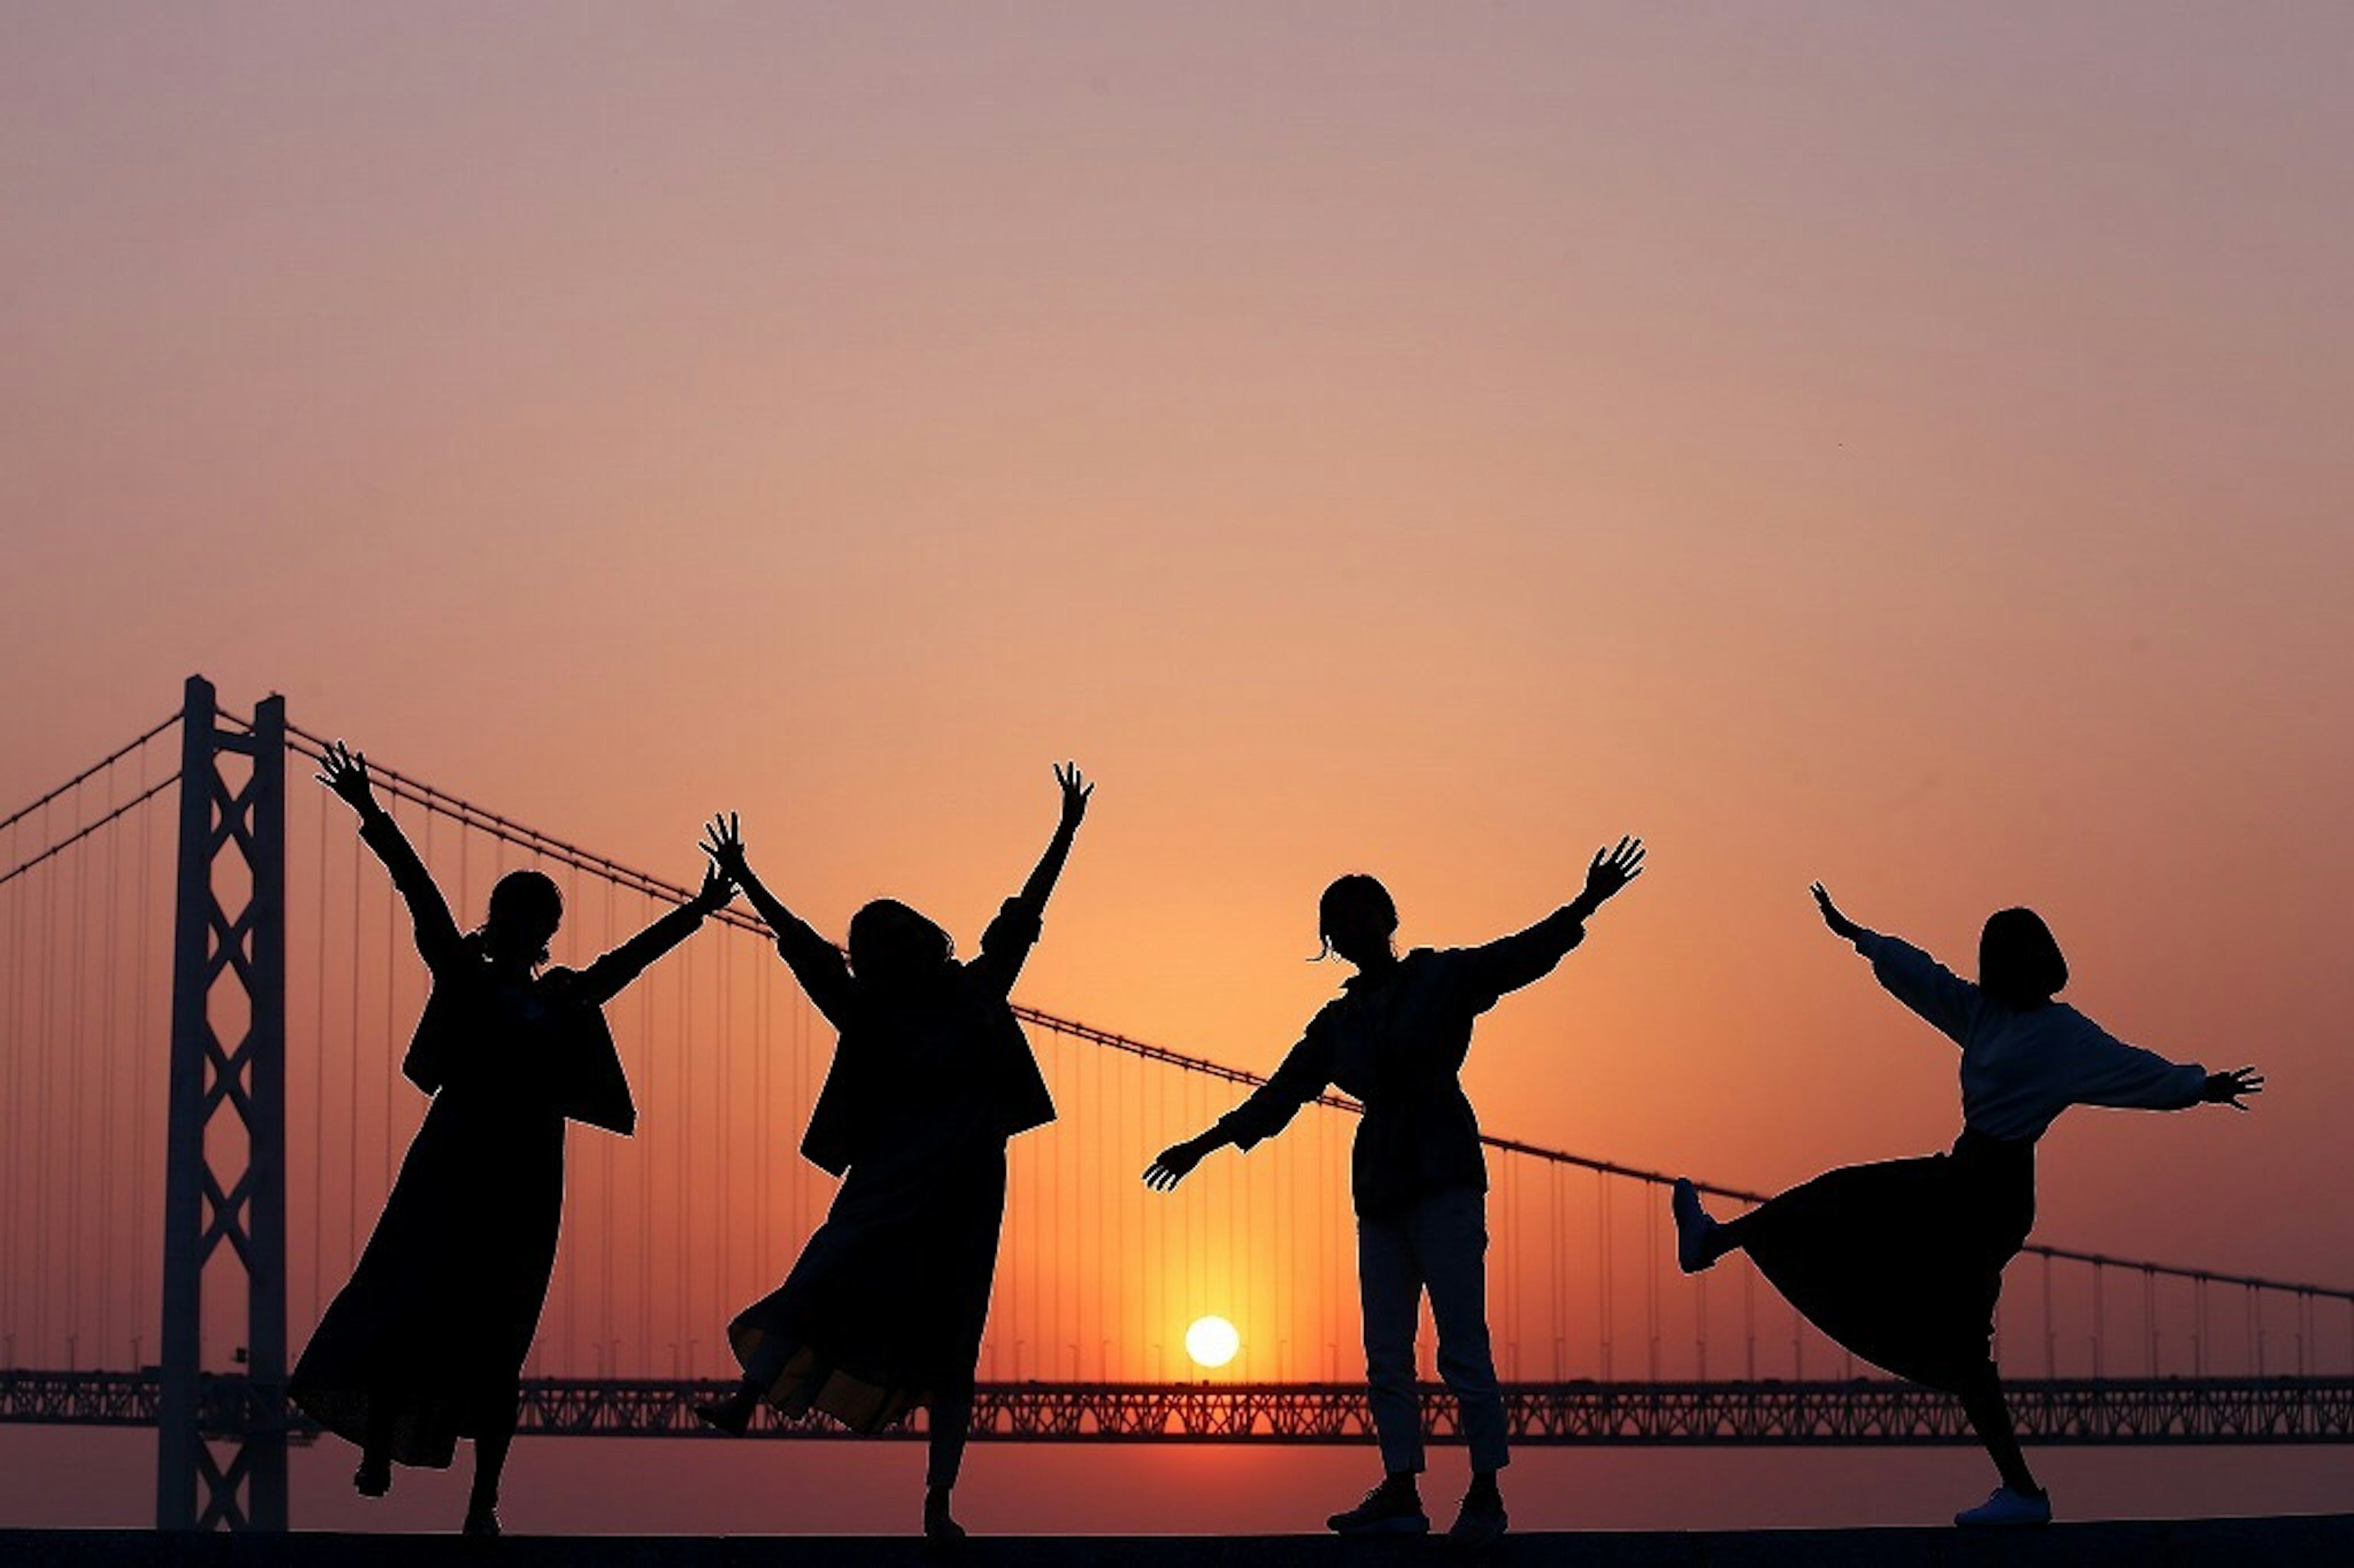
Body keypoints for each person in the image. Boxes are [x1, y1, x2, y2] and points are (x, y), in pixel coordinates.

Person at [1671, 885, 2265, 1528]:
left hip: (1995, 1197)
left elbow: (2131, 1068)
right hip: (1960, 1172)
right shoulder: (1981, 1012)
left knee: (1961, 1341)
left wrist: (2199, 1084)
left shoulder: (2063, 1033)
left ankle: (2023, 1493)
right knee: (1843, 1197)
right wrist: (1859, 936)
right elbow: (1923, 977)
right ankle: (1712, 1241)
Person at [1145, 838, 1647, 1547]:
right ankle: (1402, 1489)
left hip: (1442, 1167)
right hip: (1380, 1182)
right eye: (1336, 920)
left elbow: (1520, 954)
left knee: (1462, 1344)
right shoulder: (1337, 1022)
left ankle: (1485, 1491)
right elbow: (1281, 1094)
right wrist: (1201, 1145)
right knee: (1385, 1349)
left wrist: (1587, 902)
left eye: (1358, 913)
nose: (1349, 928)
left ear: (1387, 918)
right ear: (1331, 939)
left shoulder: (1441, 977)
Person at [289, 741, 734, 1536]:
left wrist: (698, 912)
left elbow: (622, 966)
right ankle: (382, 1448)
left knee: (501, 1336)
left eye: (543, 919)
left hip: (527, 1174)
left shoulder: (563, 996)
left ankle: (482, 1502)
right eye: (520, 914)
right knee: (406, 1294)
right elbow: (419, 897)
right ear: (501, 920)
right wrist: (370, 813)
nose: (531, 927)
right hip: (453, 1160)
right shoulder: (463, 976)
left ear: (550, 929)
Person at [693, 764, 1093, 1542]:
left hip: (966, 1189)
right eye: (888, 941)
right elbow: (805, 950)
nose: (908, 944)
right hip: (886, 1178)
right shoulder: (867, 1013)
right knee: (822, 1272)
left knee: (953, 1343)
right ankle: (746, 1397)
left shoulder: (980, 991)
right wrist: (747, 878)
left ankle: (938, 1500)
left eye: (910, 931)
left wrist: (1066, 830)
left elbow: (1024, 914)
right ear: (875, 958)